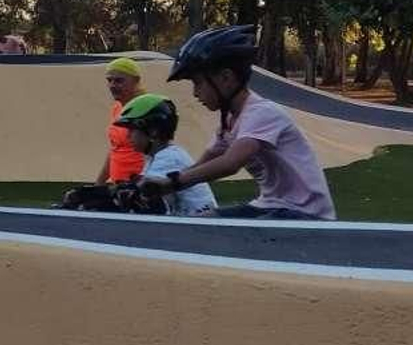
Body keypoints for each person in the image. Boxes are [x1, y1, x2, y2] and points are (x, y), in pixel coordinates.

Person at [143, 25, 335, 220]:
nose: (195, 92)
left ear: (226, 78)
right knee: (204, 222)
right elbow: (202, 165)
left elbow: (230, 164)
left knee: (239, 237)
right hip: (270, 206)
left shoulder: (262, 113)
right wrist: (158, 183)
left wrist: (171, 183)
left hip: (306, 214)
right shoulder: (230, 122)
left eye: (198, 82)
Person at [112, 95, 216, 216]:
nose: (127, 136)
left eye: (132, 130)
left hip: (197, 227)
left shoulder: (168, 158)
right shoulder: (157, 155)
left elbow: (149, 201)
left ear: (153, 131)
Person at [97, 57, 146, 185]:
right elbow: (114, 149)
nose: (112, 85)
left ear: (136, 81)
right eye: (109, 80)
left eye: (119, 81)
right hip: (117, 185)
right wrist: (98, 184)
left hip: (138, 186)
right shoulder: (117, 108)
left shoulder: (146, 108)